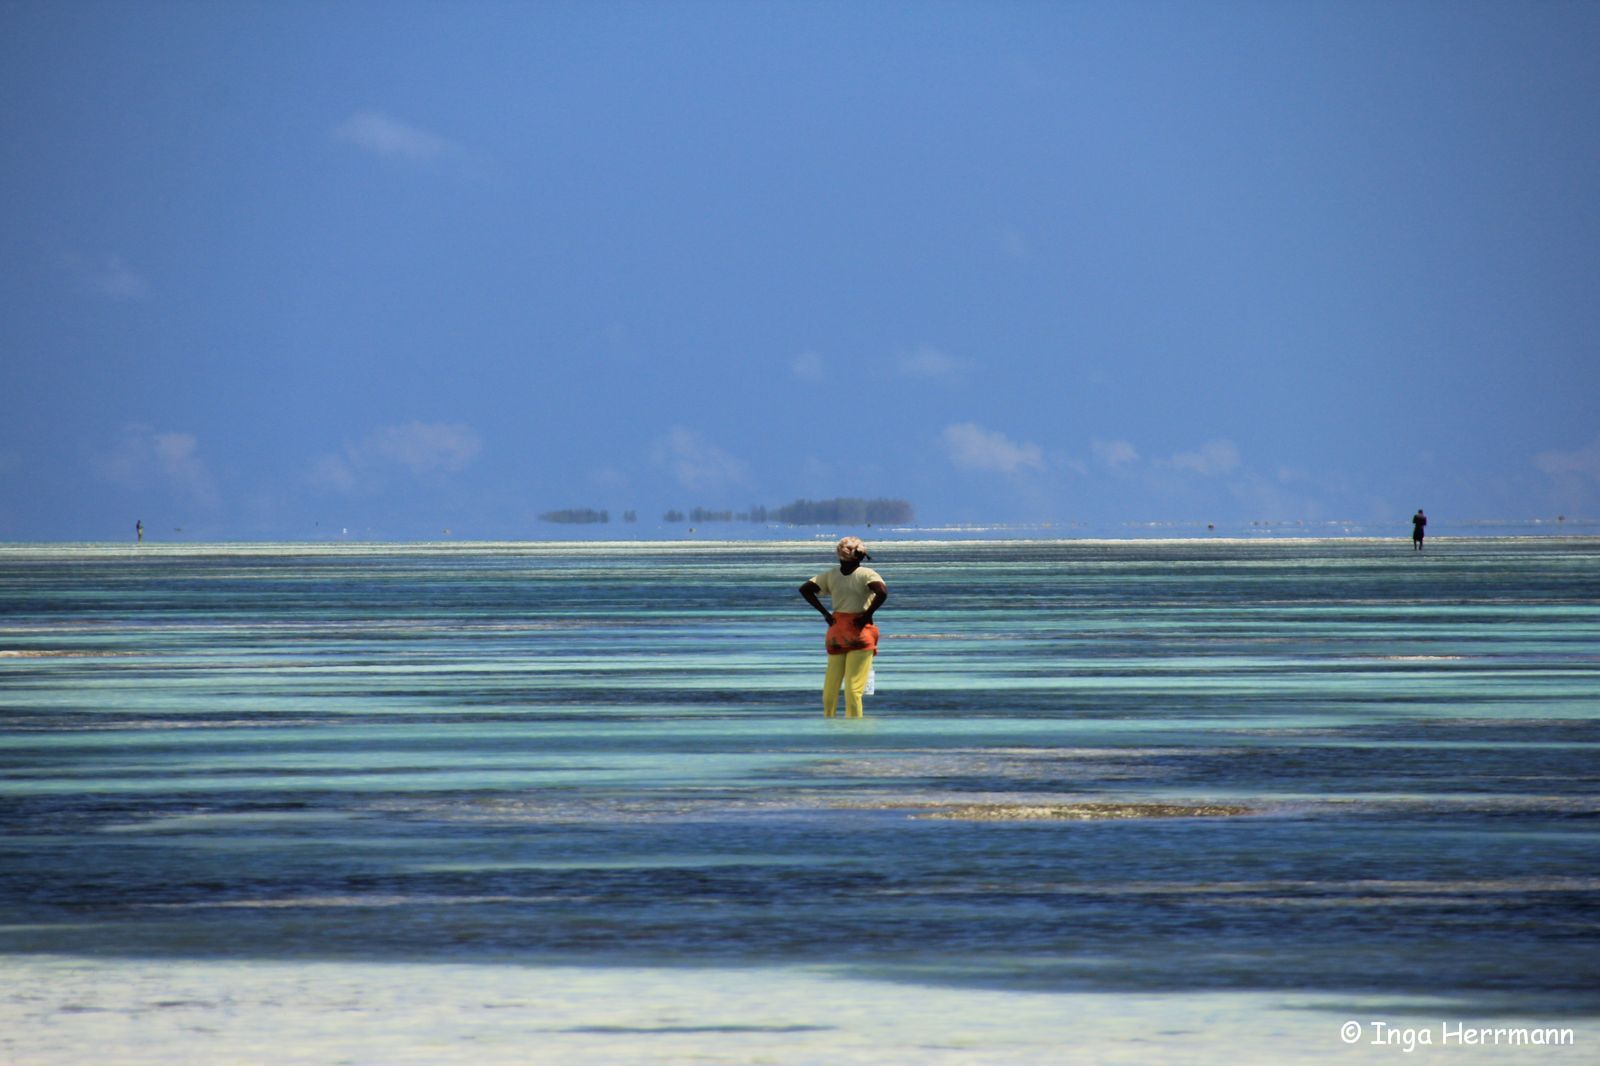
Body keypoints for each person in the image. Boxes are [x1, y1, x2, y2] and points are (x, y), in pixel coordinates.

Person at [799, 536, 888, 718]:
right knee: (854, 689)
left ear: (839, 555)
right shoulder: (867, 574)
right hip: (859, 632)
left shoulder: (831, 575)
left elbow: (805, 589)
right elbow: (882, 592)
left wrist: (825, 613)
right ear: (861, 556)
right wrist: (868, 614)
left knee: (830, 688)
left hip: (836, 632)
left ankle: (829, 723)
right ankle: (854, 733)